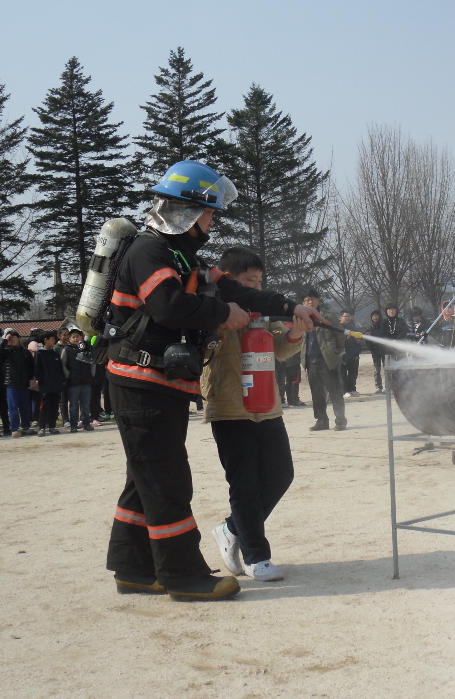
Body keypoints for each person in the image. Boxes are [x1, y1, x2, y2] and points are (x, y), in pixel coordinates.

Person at [102, 159, 322, 602]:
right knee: (167, 481)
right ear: (188, 210)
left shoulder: (184, 257)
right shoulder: (150, 252)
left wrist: (289, 306)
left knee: (145, 479)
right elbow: (167, 307)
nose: (212, 221)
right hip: (140, 381)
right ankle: (183, 576)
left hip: (158, 383)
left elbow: (238, 292)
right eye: (209, 213)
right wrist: (224, 313)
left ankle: (134, 570)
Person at [202, 247, 306, 583]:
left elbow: (279, 349)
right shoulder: (211, 306)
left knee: (281, 474)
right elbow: (201, 348)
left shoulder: (262, 311)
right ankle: (257, 557)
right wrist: (224, 321)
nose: (257, 287)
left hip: (266, 405)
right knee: (244, 483)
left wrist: (295, 333)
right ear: (229, 279)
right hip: (230, 406)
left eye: (260, 281)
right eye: (250, 280)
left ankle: (231, 529)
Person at [301, 290, 347, 432]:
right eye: (307, 300)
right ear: (303, 303)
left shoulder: (327, 317)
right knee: (317, 394)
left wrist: (337, 351)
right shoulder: (302, 319)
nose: (310, 302)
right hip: (310, 361)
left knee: (335, 392)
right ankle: (321, 421)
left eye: (313, 299)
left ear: (318, 301)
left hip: (327, 360)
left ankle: (340, 420)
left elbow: (340, 334)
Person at [0, 328, 34, 438]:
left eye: (14, 337)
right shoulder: (6, 351)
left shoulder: (25, 352)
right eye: (10, 338)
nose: (12, 340)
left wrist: (29, 378)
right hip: (11, 383)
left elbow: (31, 366)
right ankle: (14, 428)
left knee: (25, 407)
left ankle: (26, 427)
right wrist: (5, 340)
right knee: (13, 407)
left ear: (19, 339)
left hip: (24, 383)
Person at [33, 330, 65, 436]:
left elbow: (59, 369)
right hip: (45, 387)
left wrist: (60, 381)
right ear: (46, 340)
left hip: (56, 386)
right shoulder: (40, 354)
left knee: (54, 407)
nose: (54, 340)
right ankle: (42, 427)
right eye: (52, 338)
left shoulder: (54, 353)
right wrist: (43, 381)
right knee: (44, 407)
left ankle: (52, 426)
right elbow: (37, 370)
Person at [63, 328, 94, 432]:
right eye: (73, 337)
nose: (76, 339)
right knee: (73, 405)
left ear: (81, 337)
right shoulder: (67, 350)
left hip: (86, 380)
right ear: (70, 339)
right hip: (73, 382)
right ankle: (73, 425)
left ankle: (86, 424)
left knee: (86, 405)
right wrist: (68, 375)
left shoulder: (87, 348)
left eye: (78, 336)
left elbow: (92, 362)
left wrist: (92, 373)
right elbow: (63, 364)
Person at [339, 309, 362, 397]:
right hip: (342, 354)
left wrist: (358, 340)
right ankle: (344, 391)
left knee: (353, 373)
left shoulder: (352, 326)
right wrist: (342, 356)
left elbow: (357, 338)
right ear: (341, 317)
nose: (347, 318)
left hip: (352, 353)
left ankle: (352, 389)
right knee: (343, 374)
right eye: (345, 316)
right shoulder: (338, 327)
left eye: (349, 316)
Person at [367, 310, 385, 393]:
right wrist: (372, 349)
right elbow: (368, 340)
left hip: (384, 351)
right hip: (375, 352)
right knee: (376, 370)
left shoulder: (384, 326)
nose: (375, 317)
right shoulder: (370, 328)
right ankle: (378, 387)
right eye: (373, 316)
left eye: (376, 315)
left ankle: (388, 386)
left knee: (386, 369)